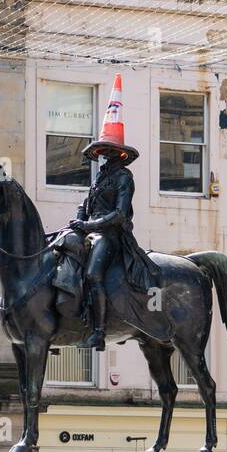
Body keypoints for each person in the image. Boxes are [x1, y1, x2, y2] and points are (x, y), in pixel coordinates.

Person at [65, 73, 160, 351]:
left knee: (94, 273)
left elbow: (120, 214)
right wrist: (79, 219)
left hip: (111, 236)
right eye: (103, 151)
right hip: (92, 231)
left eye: (109, 151)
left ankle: (98, 330)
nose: (105, 155)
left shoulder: (123, 178)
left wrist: (91, 225)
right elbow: (87, 202)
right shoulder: (99, 177)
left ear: (120, 154)